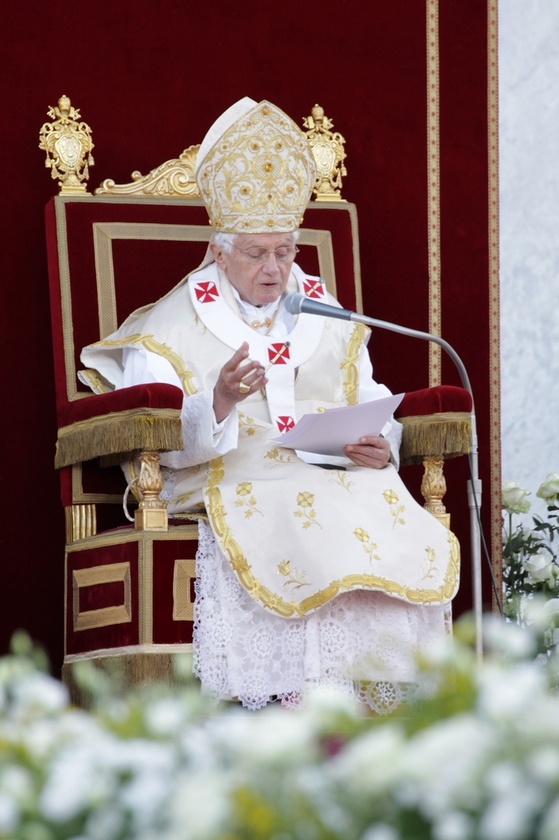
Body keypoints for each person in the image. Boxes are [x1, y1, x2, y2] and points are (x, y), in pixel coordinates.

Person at [80, 98, 459, 713]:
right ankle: (299, 705)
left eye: (285, 251)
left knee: (375, 497)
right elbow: (155, 436)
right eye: (257, 253)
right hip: (229, 472)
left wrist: (380, 443)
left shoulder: (325, 308)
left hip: (330, 468)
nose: (275, 268)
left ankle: (374, 712)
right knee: (293, 501)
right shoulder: (171, 326)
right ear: (220, 250)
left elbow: (369, 400)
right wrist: (220, 401)